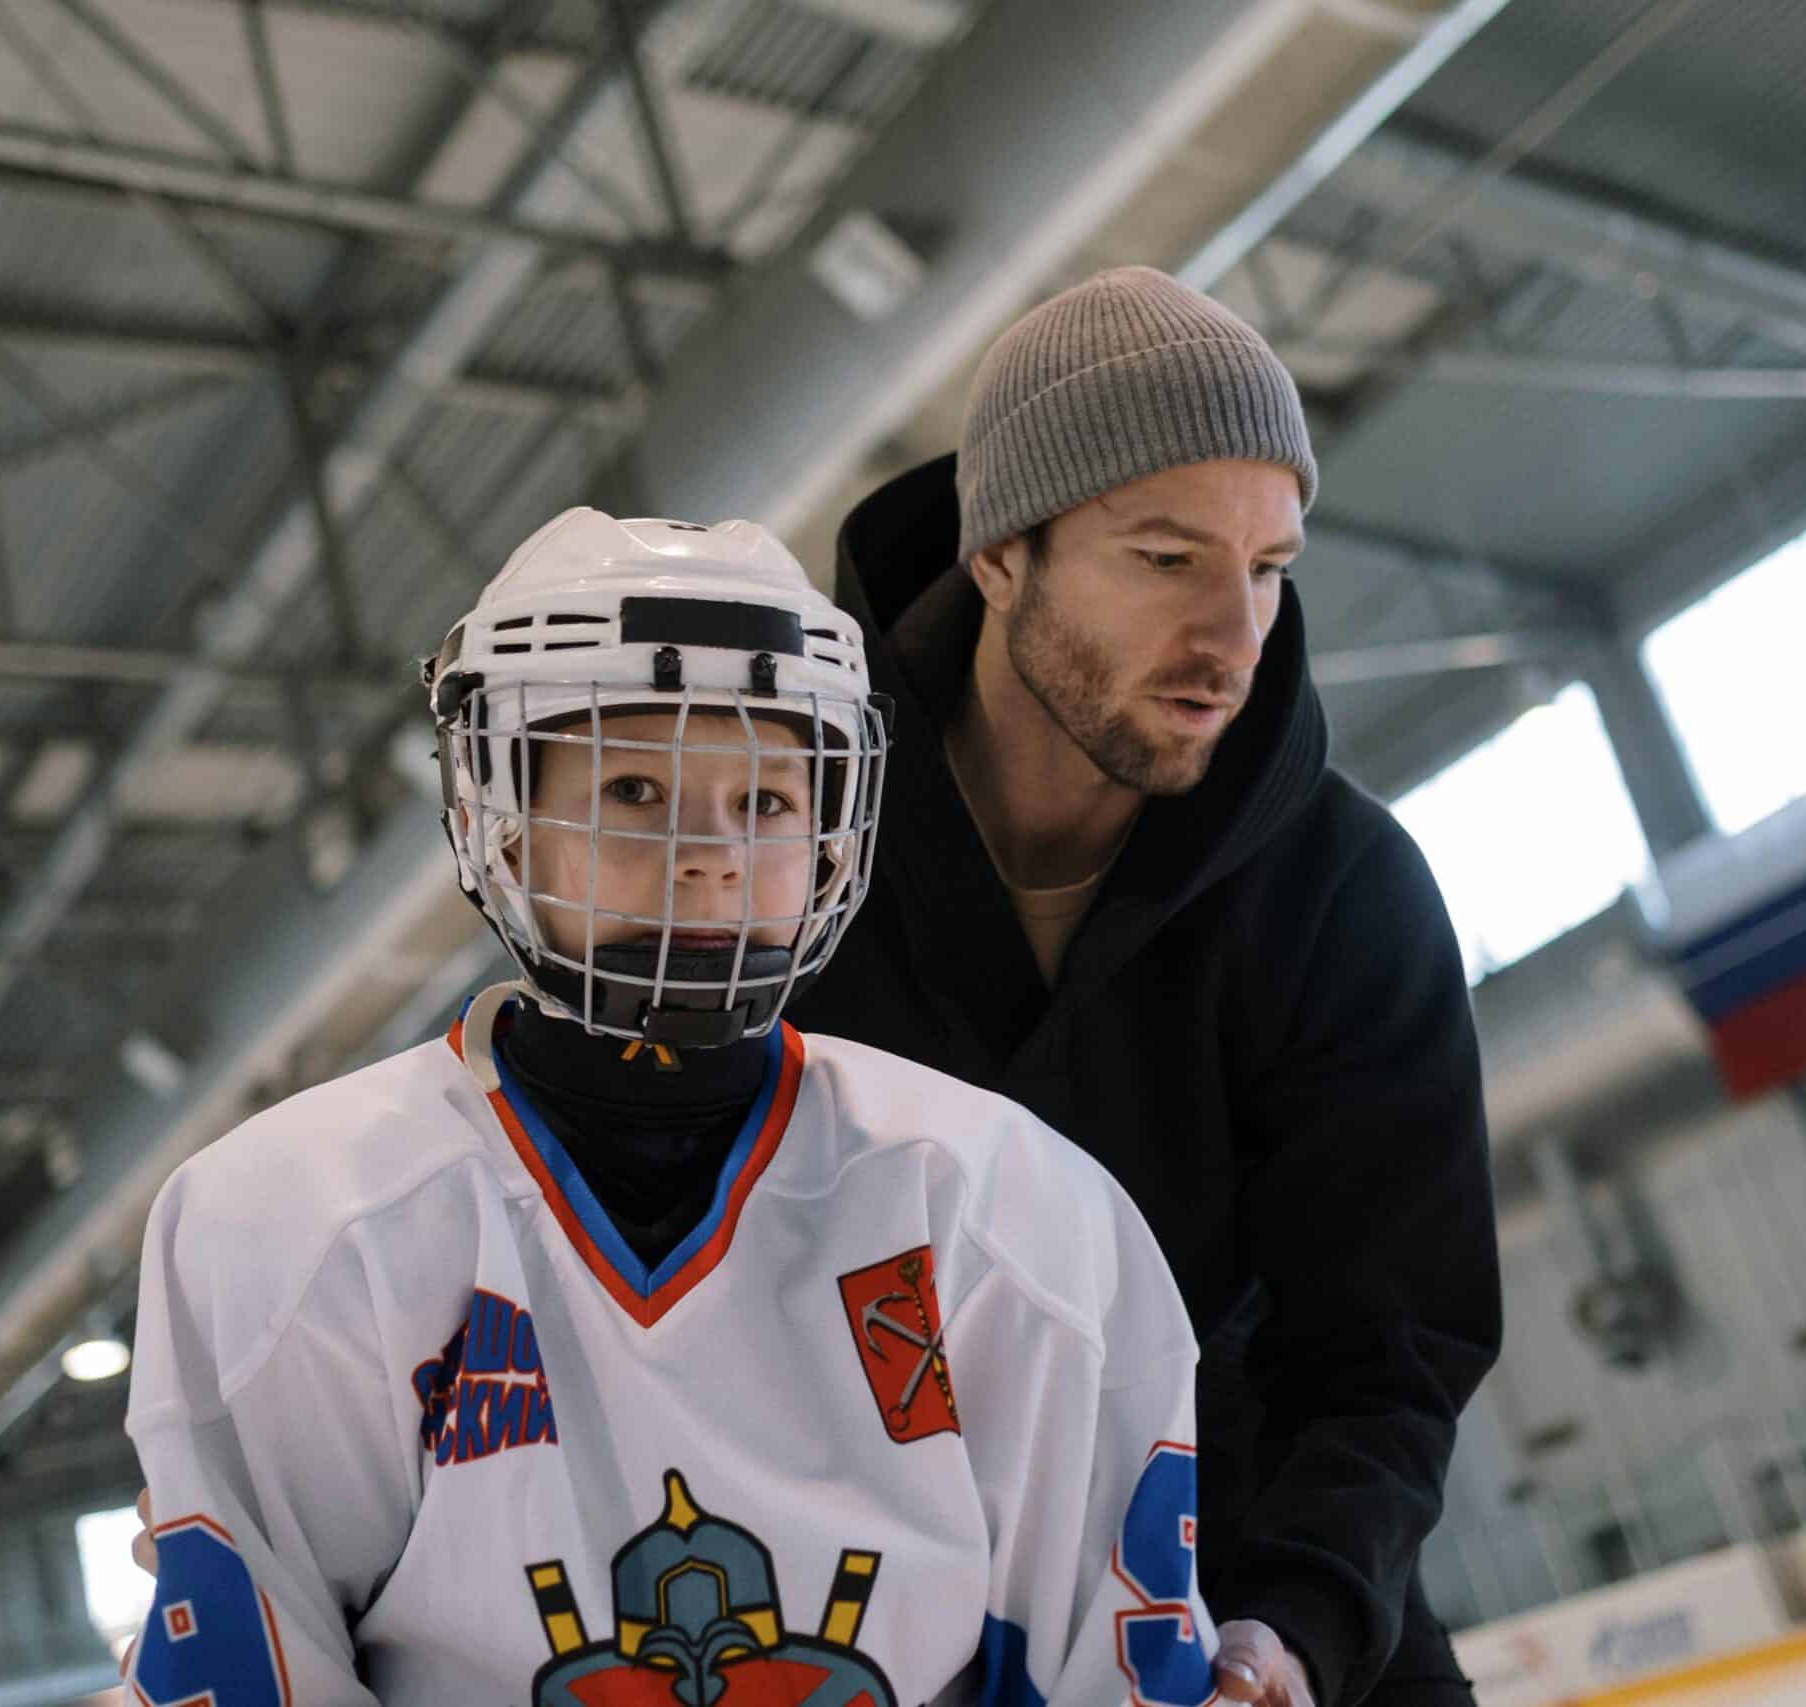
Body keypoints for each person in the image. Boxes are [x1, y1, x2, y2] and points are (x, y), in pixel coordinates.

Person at [119, 509, 1218, 1707]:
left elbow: (1107, 1669)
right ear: (501, 814)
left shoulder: (1008, 1213)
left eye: (765, 801)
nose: (711, 855)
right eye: (636, 788)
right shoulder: (291, 1226)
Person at [783, 267, 1502, 1707]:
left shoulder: (1343, 892)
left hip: (1259, 1605)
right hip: (875, 1623)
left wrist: (1291, 1622)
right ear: (1001, 554)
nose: (1233, 635)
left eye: (1270, 565)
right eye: (1168, 558)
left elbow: (1386, 1352)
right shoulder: (781, 858)